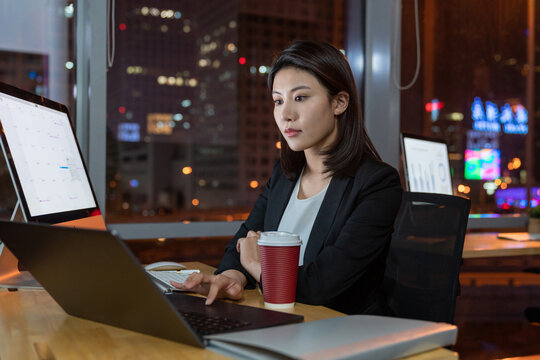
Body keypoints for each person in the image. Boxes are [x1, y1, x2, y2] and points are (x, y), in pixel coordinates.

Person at [172, 40, 403, 315]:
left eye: (300, 98)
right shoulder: (285, 176)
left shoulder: (377, 184)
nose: (286, 114)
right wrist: (233, 277)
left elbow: (321, 286)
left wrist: (257, 267)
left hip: (339, 331)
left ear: (339, 103)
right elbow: (244, 241)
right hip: (279, 321)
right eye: (278, 100)